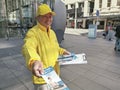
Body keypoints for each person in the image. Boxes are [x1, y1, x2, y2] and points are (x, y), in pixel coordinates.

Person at [22, 4, 70, 90]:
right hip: (42, 78)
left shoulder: (52, 33)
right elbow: (28, 47)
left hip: (54, 75)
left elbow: (55, 48)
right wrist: (34, 61)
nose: (49, 19)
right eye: (45, 16)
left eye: (50, 16)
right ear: (38, 18)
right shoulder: (33, 33)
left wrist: (63, 51)